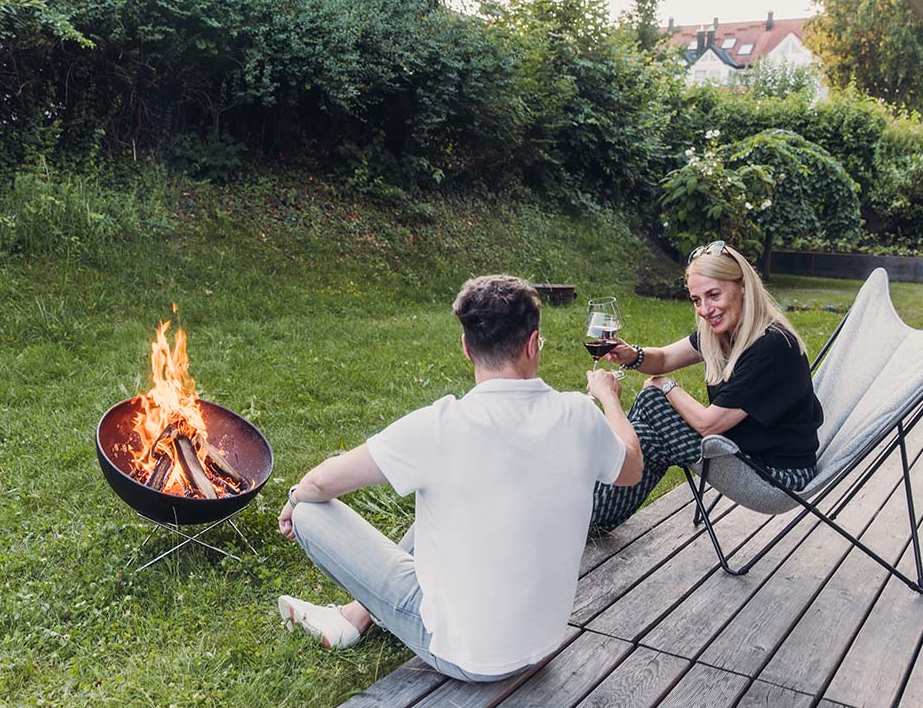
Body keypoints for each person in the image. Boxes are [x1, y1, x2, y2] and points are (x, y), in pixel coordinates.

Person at [276, 274, 642, 682]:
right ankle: (353, 617)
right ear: (532, 343)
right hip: (543, 644)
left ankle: (352, 618)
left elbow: (321, 483)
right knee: (449, 504)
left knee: (310, 511)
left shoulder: (441, 425)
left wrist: (294, 499)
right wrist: (609, 398)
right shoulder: (580, 414)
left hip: (469, 657)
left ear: (466, 348)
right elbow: (632, 467)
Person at [591, 241, 823, 531]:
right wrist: (632, 355)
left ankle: (588, 512)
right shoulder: (726, 332)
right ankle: (592, 512)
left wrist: (665, 386)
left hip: (777, 477)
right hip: (746, 452)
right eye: (696, 300)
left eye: (713, 295)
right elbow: (663, 358)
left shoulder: (771, 346)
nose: (704, 309)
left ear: (743, 287)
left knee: (653, 403)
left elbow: (708, 425)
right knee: (648, 438)